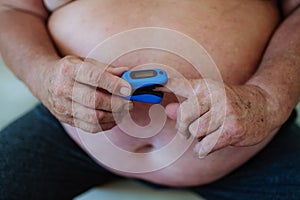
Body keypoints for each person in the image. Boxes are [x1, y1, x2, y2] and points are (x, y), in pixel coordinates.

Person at [0, 0, 299, 199]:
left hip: (248, 138)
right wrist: (43, 76)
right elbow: (12, 10)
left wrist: (268, 98)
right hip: (71, 128)